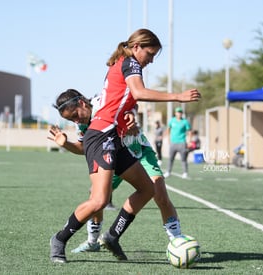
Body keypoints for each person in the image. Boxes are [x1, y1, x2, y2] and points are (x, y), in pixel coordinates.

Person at [48, 28, 201, 264]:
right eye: (150, 54)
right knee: (99, 199)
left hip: (115, 138)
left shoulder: (123, 63)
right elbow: (138, 92)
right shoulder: (130, 62)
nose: (150, 60)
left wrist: (131, 112)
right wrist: (178, 96)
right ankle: (59, 239)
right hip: (101, 136)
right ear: (137, 47)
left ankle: (112, 236)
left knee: (149, 189)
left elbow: (126, 100)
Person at [49, 90, 182, 255]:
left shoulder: (104, 101)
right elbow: (84, 147)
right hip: (114, 156)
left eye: (76, 115)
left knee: (160, 194)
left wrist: (131, 115)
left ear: (82, 102)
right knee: (96, 198)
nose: (76, 121)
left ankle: (177, 241)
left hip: (138, 151)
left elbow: (132, 100)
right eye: (71, 120)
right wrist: (66, 144)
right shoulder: (82, 124)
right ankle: (93, 241)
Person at [164, 107, 192, 179]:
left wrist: (189, 141)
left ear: (182, 113)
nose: (179, 113)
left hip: (182, 143)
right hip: (173, 143)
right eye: (177, 112)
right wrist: (168, 139)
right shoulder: (172, 121)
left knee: (183, 159)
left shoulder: (185, 122)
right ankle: (168, 172)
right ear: (175, 113)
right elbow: (168, 129)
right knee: (170, 158)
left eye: (180, 112)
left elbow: (189, 132)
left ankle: (185, 173)